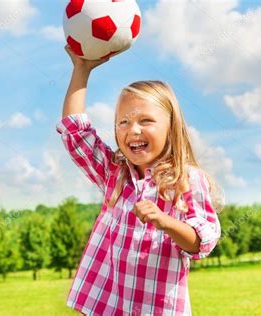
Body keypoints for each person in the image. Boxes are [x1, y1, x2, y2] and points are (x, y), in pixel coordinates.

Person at [56, 45, 223, 316]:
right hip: (106, 306)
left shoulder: (187, 179)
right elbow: (75, 131)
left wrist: (165, 220)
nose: (133, 129)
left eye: (146, 120)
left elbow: (202, 240)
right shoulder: (114, 174)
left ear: (171, 127)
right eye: (123, 122)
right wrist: (81, 70)